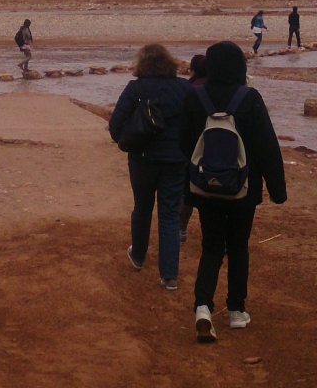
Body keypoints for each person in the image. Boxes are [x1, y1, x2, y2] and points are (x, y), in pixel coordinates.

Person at [179, 41, 287, 342]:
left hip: (205, 188)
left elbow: (183, 142)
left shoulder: (195, 97)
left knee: (211, 247)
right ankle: (237, 311)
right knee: (239, 247)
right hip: (244, 188)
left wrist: (202, 171)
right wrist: (277, 190)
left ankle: (203, 307)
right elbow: (267, 146)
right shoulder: (250, 98)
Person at [109, 43, 191, 289]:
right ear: (169, 62)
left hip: (142, 159)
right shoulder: (184, 88)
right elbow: (195, 124)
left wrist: (127, 141)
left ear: (142, 63)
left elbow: (115, 125)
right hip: (175, 161)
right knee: (170, 216)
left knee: (142, 208)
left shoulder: (136, 88)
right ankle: (169, 276)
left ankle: (138, 256)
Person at [179, 54, 208, 243]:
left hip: (191, 149)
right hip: (214, 147)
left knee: (187, 192)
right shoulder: (215, 88)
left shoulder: (189, 89)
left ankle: (181, 230)